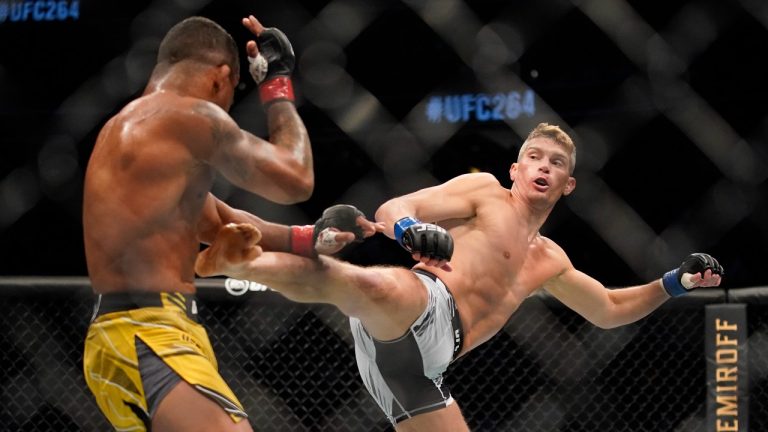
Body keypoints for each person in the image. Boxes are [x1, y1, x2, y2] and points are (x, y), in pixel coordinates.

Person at [194, 122, 724, 432]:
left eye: (555, 163)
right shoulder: (486, 193)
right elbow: (397, 203)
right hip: (423, 301)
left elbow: (608, 311)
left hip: (423, 371)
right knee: (363, 284)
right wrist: (408, 230)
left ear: (568, 184)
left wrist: (674, 282)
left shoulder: (551, 259)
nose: (542, 166)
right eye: (533, 156)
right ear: (516, 170)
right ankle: (243, 260)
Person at [81, 14, 374, 432]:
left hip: (131, 334)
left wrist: (312, 238)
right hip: (147, 332)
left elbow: (219, 221)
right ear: (220, 77)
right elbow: (295, 177)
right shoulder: (187, 116)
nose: (228, 108)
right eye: (233, 93)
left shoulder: (132, 131)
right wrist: (277, 86)